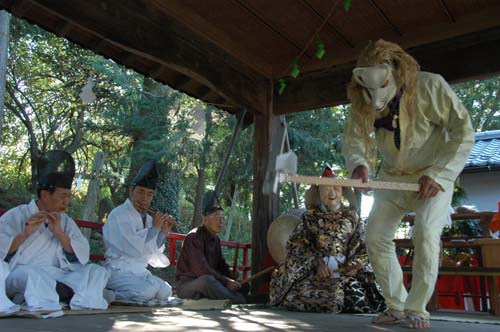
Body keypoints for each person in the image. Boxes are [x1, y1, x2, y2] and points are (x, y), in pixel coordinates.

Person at [342, 39, 474, 328]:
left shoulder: (430, 86)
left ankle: (417, 309)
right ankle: (396, 305)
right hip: (391, 176)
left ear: (396, 72)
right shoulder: (362, 97)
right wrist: (360, 166)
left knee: (426, 233)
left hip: (432, 176)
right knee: (375, 236)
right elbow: (354, 138)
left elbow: (463, 131)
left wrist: (440, 174)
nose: (375, 99)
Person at [0, 150, 110, 311]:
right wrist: (25, 234)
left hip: (55, 274)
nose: (66, 201)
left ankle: (59, 295)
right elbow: (2, 254)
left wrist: (59, 233)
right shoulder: (16, 215)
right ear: (44, 195)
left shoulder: (65, 222)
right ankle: (61, 295)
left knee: (96, 272)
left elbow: (81, 255)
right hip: (20, 272)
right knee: (33, 276)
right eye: (62, 196)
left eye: (68, 196)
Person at [269, 167, 385, 313]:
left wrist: (354, 266)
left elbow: (364, 245)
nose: (331, 193)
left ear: (343, 191)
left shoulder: (353, 218)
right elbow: (297, 245)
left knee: (356, 298)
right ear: (318, 192)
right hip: (316, 273)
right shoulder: (309, 217)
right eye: (326, 189)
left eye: (336, 188)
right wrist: (317, 262)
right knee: (297, 295)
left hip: (344, 272)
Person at [103, 160, 175, 303]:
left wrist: (163, 231)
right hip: (119, 271)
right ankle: (107, 293)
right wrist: (155, 228)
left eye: (149, 194)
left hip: (140, 271)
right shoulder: (119, 215)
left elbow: (151, 251)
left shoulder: (148, 219)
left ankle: (121, 294)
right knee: (146, 292)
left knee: (166, 291)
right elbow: (132, 248)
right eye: (141, 192)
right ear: (131, 191)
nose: (144, 198)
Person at [175, 190, 247, 304]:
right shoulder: (193, 237)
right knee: (207, 281)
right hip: (188, 285)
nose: (221, 221)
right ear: (205, 220)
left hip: (209, 281)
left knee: (243, 285)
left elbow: (221, 264)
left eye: (223, 217)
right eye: (217, 216)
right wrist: (226, 282)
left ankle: (235, 297)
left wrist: (230, 273)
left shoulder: (216, 239)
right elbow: (202, 270)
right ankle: (236, 300)